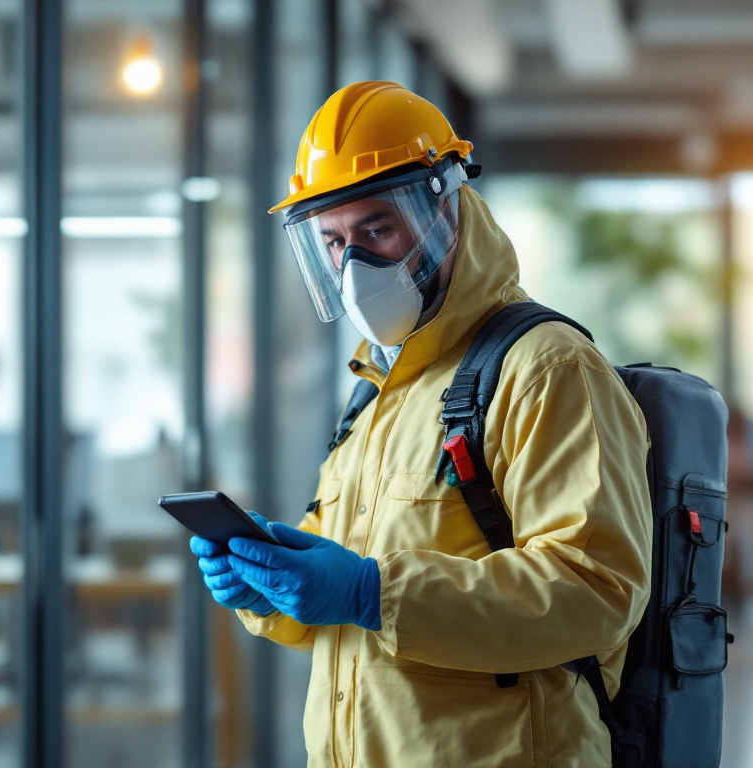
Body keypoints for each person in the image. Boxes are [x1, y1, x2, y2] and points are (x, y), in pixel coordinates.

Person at [189, 81, 653, 767]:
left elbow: (595, 592)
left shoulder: (546, 368)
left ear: (445, 206)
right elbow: (339, 597)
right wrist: (270, 585)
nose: (356, 267)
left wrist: (376, 592)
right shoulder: (375, 393)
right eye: (335, 242)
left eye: (376, 229)